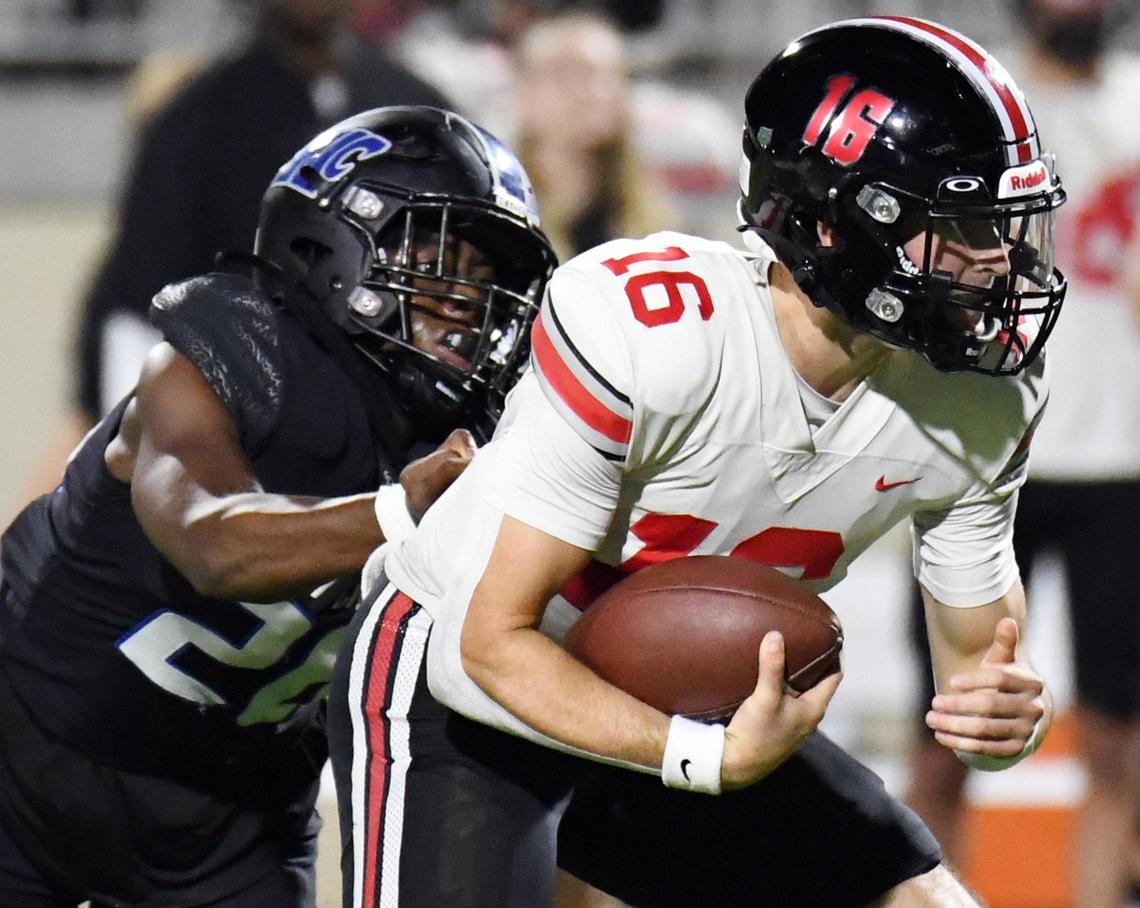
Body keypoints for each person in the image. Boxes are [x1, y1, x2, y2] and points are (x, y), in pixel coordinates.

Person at [328, 17, 1065, 908]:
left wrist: (1007, 723)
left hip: (686, 695)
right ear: (834, 225)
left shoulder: (982, 395)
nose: (1000, 264)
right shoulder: (662, 333)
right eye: (964, 226)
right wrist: (697, 755)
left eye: (1008, 225)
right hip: (467, 684)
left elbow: (979, 679)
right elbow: (485, 646)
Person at [0, 106, 555, 907]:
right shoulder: (239, 348)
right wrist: (399, 514)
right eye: (435, 257)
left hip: (230, 819)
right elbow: (211, 544)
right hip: (27, 752)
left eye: (484, 274)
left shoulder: (484, 436)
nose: (467, 300)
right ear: (326, 244)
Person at [19, 0, 456, 504]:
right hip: (241, 433)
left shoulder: (412, 105)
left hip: (400, 421)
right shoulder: (197, 120)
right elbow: (137, 309)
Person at [902, 1, 1140, 904]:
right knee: (947, 732)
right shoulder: (977, 100)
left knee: (1118, 738)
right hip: (981, 442)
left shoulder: (1136, 103)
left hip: (1124, 456)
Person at [512, 9, 674, 263]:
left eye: (610, 74)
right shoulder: (504, 217)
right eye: (571, 73)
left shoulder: (651, 219)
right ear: (524, 89)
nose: (595, 91)